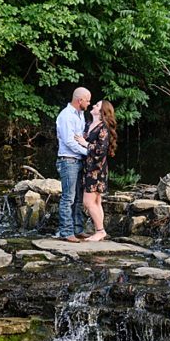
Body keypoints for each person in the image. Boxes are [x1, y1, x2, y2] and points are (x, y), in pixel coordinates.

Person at [74, 99, 117, 242]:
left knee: (89, 202)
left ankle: (100, 231)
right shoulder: (88, 124)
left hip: (97, 169)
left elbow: (100, 150)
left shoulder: (103, 127)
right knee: (97, 201)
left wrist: (85, 143)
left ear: (102, 111)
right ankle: (99, 230)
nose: (93, 105)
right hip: (88, 168)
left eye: (97, 105)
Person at [55, 87, 91, 242]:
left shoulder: (80, 115)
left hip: (78, 160)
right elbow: (70, 141)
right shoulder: (66, 116)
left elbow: (79, 137)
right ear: (80, 100)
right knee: (68, 198)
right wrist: (88, 152)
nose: (89, 103)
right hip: (68, 160)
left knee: (78, 198)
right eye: (88, 100)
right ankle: (66, 232)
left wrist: (84, 144)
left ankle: (78, 229)